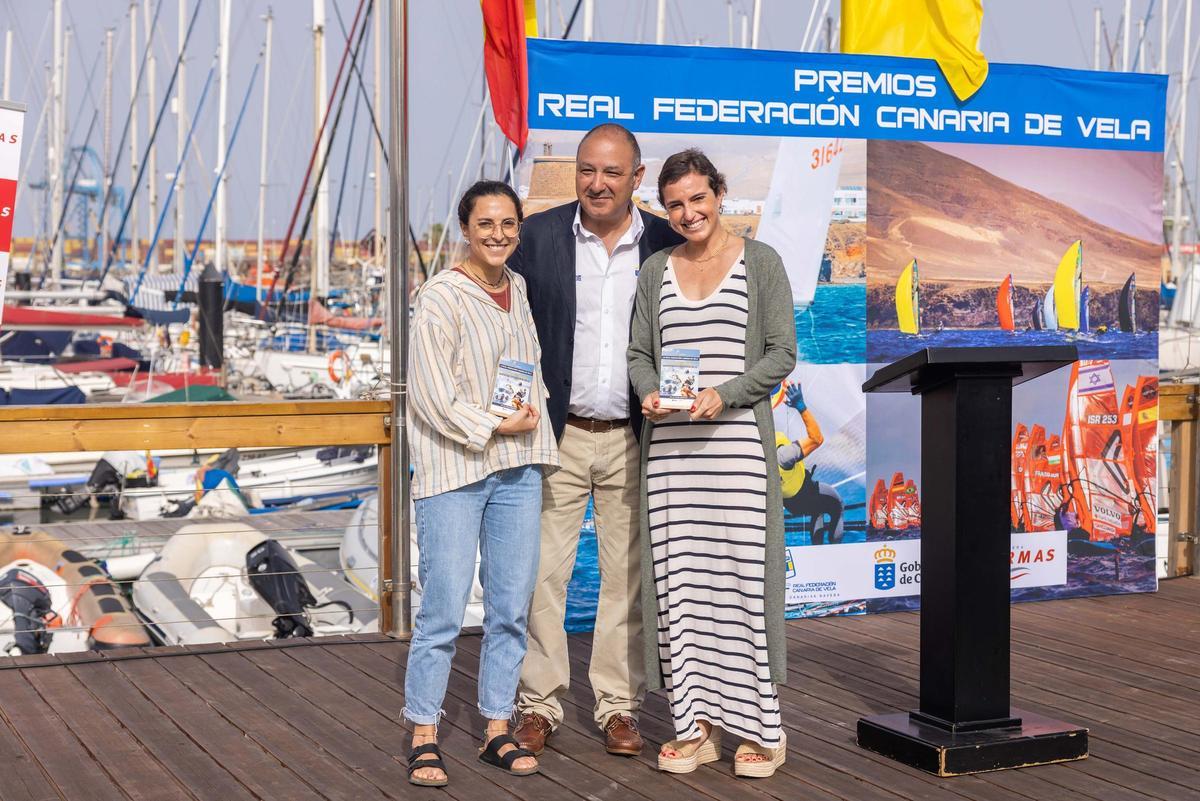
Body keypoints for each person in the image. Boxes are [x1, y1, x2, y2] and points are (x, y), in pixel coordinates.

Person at [510, 123, 684, 757]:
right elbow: (508, 328)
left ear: (637, 178)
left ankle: (618, 707)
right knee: (542, 576)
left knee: (627, 580)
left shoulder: (665, 242)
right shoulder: (536, 237)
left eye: (612, 172)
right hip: (556, 436)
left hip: (634, 437)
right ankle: (538, 703)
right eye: (588, 169)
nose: (598, 183)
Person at [627, 149, 796, 778]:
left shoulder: (762, 261)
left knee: (742, 588)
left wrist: (725, 395)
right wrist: (649, 391)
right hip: (671, 461)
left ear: (719, 194)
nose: (687, 213)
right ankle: (695, 729)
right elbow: (638, 355)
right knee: (682, 593)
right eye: (674, 204)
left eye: (698, 198)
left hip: (737, 454)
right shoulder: (655, 270)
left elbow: (781, 353)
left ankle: (763, 731)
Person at [403, 180, 559, 788]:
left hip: (518, 469)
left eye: (508, 223)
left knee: (510, 608)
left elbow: (523, 374)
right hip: (455, 470)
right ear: (466, 228)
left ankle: (496, 726)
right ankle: (423, 733)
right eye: (486, 223)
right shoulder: (439, 296)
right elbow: (430, 395)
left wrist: (526, 423)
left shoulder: (517, 288)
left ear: (519, 228)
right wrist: (495, 424)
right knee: (442, 608)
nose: (498, 234)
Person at [777, 382, 845, 545]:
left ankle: (817, 549)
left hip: (789, 503)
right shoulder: (783, 455)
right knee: (837, 504)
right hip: (806, 495)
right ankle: (836, 547)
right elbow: (816, 439)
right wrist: (801, 407)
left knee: (818, 509)